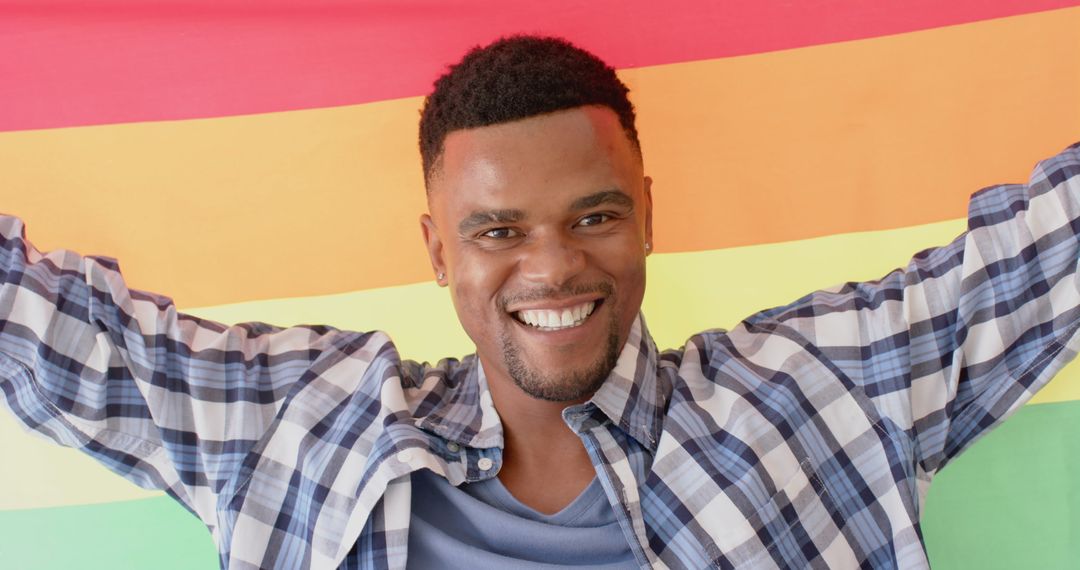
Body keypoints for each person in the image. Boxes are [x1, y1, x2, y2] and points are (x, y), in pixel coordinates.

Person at [1, 34, 1078, 570]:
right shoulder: (304, 424)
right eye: (498, 232)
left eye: (594, 218)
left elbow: (1048, 245)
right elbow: (46, 330)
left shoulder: (812, 393)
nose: (552, 268)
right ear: (437, 251)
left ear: (647, 213)